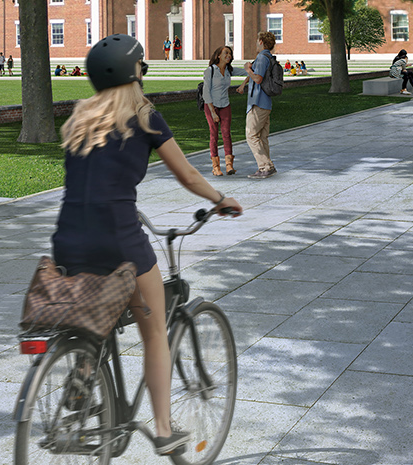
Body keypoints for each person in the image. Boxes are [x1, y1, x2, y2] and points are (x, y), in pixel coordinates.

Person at [54, 34, 243, 457]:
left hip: (68, 241)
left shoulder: (79, 119)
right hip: (119, 240)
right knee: (155, 329)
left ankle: (84, 369)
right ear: (136, 72)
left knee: (94, 312)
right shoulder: (146, 117)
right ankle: (162, 429)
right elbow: (188, 176)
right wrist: (220, 199)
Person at [244, 31, 279, 179]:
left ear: (260, 42)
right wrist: (243, 84)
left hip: (257, 102)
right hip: (266, 103)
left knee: (251, 135)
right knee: (262, 136)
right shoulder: (268, 57)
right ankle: (268, 167)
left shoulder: (261, 58)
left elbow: (258, 78)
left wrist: (247, 69)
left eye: (257, 40)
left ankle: (265, 166)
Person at [203, 45, 236, 176]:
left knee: (227, 133)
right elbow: (206, 92)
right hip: (211, 105)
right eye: (226, 53)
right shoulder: (210, 71)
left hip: (225, 104)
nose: (229, 56)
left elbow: (248, 71)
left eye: (230, 54)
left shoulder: (229, 70)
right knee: (214, 135)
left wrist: (244, 83)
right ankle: (215, 167)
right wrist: (212, 112)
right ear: (218, 56)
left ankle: (229, 165)